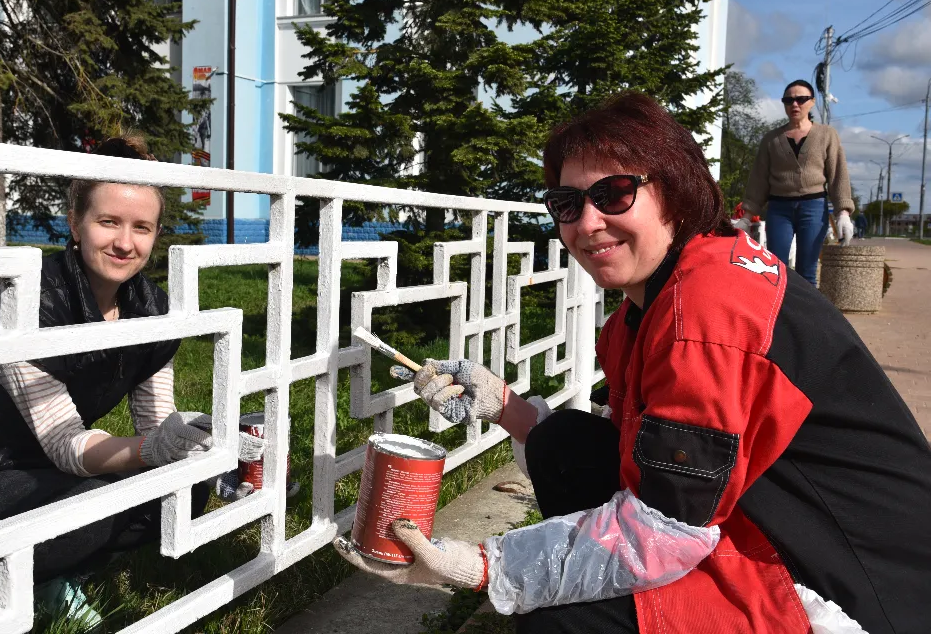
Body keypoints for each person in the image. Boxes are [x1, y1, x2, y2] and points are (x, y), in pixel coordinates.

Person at [334, 93, 931, 634]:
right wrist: (504, 407)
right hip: (747, 523)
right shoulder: (639, 314)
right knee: (562, 441)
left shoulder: (710, 307)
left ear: (673, 188)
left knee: (560, 620)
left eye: (613, 193)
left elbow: (666, 526)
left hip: (852, 591)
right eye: (567, 203)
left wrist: (483, 565)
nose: (587, 222)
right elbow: (644, 455)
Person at [0, 137, 262, 626]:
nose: (125, 243)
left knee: (180, 490)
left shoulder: (151, 307)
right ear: (75, 223)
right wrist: (154, 451)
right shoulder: (24, 304)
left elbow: (154, 424)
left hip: (42, 467)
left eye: (141, 227)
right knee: (91, 506)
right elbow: (67, 445)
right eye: (108, 222)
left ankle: (47, 572)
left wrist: (203, 454)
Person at [741, 79, 854, 286]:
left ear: (811, 102)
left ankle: (806, 317)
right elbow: (759, 178)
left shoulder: (827, 135)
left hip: (813, 207)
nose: (795, 104)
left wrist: (843, 212)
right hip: (779, 209)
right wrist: (746, 217)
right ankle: (780, 317)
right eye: (789, 100)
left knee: (806, 272)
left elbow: (838, 174)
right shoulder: (772, 139)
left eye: (801, 99)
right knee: (775, 269)